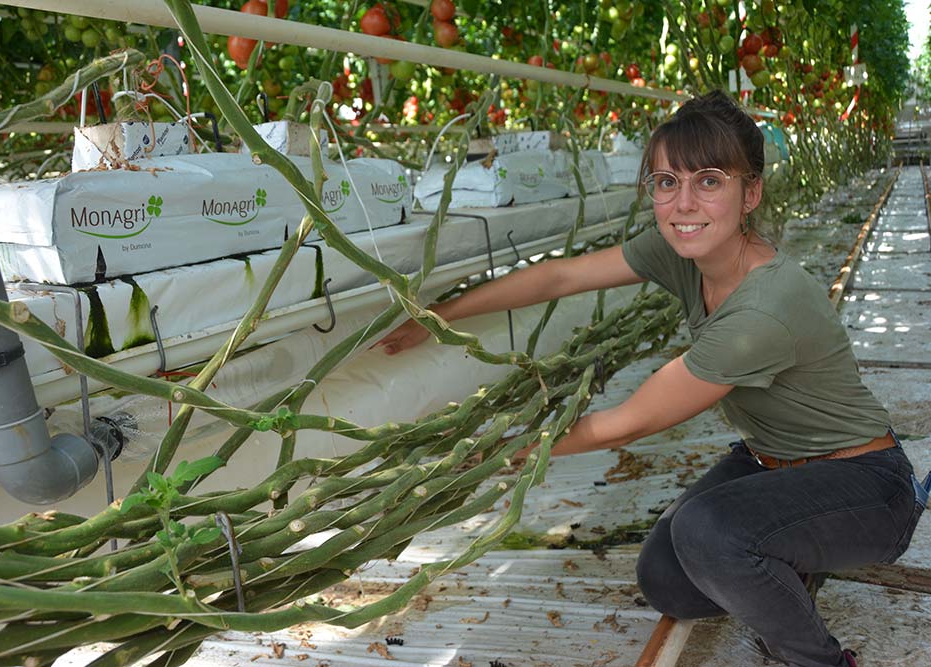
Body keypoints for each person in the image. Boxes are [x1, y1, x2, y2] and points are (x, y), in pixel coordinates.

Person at [376, 90, 926, 667]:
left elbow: (625, 423)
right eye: (666, 182)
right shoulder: (681, 249)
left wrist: (505, 453)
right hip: (771, 462)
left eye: (708, 181)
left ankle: (823, 660)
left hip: (865, 486)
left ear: (750, 193)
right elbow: (559, 278)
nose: (683, 203)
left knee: (708, 534)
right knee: (667, 577)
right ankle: (791, 563)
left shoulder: (765, 308)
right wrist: (437, 317)